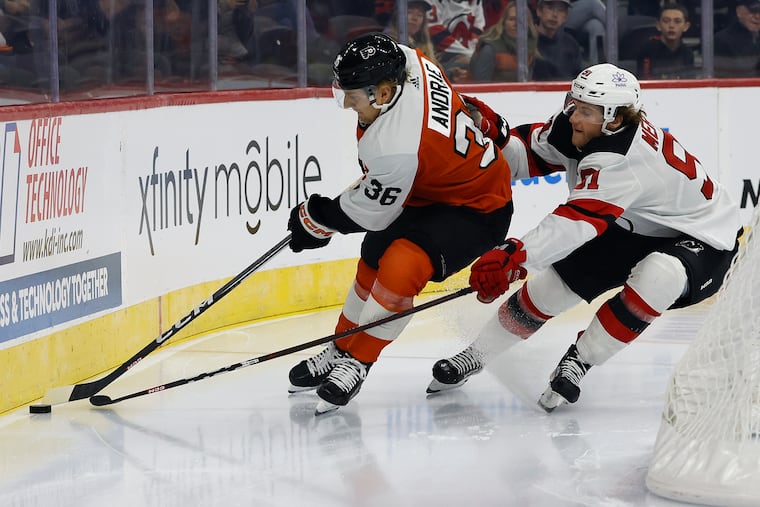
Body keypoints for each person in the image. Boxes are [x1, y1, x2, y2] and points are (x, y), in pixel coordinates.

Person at [427, 63, 742, 413]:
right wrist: (494, 135)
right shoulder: (584, 126)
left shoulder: (621, 159)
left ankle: (580, 360)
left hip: (704, 238)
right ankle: (477, 354)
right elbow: (526, 157)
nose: (574, 116)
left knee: (659, 276)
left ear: (614, 120)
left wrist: (514, 255)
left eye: (586, 111)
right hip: (633, 223)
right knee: (550, 290)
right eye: (574, 103)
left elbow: (576, 222)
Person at [286, 32, 515, 415]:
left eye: (353, 97)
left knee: (402, 263)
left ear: (385, 93)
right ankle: (342, 345)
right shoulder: (410, 60)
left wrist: (318, 219)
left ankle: (357, 361)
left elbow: (369, 212)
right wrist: (322, 219)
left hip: (478, 208)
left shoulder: (396, 145)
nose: (346, 105)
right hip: (430, 187)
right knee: (373, 254)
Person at [469, 0, 553, 82]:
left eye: (522, 20)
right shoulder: (490, 49)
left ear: (528, 24)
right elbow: (481, 86)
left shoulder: (530, 48)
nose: (516, 24)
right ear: (504, 23)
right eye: (512, 19)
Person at [427, 0, 486, 81]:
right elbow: (436, 34)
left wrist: (472, 54)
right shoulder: (432, 2)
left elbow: (477, 31)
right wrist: (470, 55)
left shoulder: (476, 2)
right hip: (438, 54)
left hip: (467, 52)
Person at [635, 3, 695, 79]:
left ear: (686, 26)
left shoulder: (687, 53)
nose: (671, 26)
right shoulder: (647, 49)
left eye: (677, 21)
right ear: (658, 25)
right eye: (666, 21)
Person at [534, 0, 583, 80]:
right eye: (550, 8)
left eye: (561, 10)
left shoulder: (571, 44)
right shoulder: (528, 43)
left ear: (566, 17)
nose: (555, 15)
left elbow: (578, 78)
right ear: (539, 11)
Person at [383, 0, 440, 66]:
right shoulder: (388, 42)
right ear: (397, 15)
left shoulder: (425, 47)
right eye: (409, 12)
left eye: (419, 15)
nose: (415, 18)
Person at [714, 0, 760, 77]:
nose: (758, 16)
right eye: (753, 11)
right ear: (739, 12)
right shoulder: (722, 39)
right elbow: (725, 78)